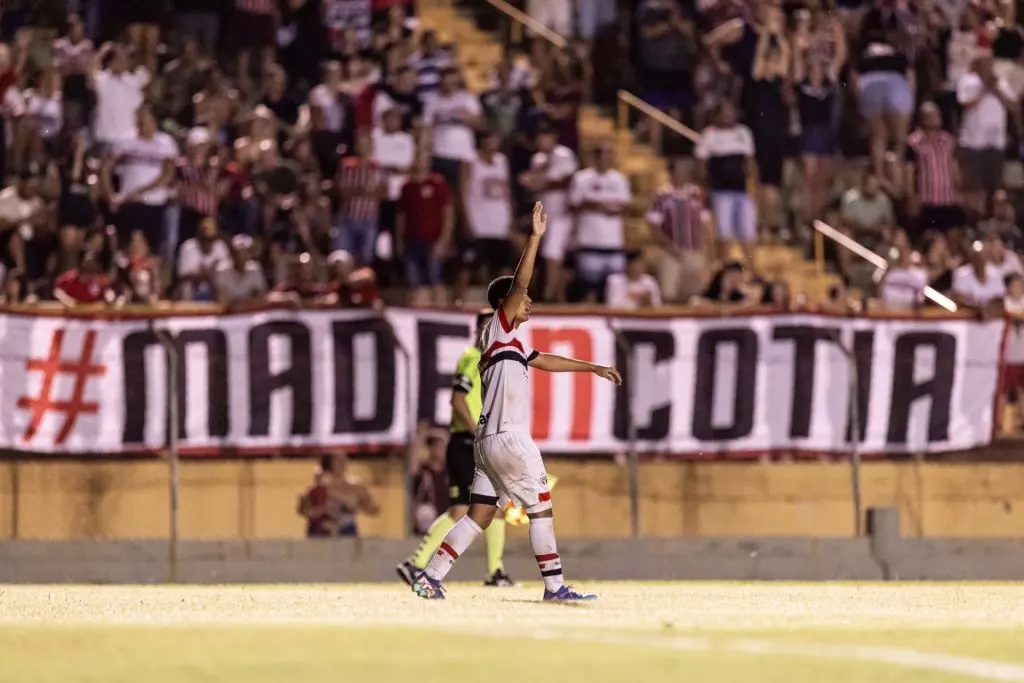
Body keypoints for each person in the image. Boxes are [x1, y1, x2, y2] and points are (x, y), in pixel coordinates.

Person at [410, 202, 622, 602]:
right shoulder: (498, 325)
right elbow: (520, 284)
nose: (529, 301)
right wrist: (536, 238)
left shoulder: (509, 342)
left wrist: (592, 366)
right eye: (523, 298)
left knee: (480, 515)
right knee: (540, 508)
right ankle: (555, 586)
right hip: (509, 438)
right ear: (506, 301)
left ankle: (429, 578)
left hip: (488, 443)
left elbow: (546, 360)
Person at [396, 310, 515, 589]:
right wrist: (478, 433)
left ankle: (415, 564)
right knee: (490, 508)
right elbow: (458, 399)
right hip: (468, 442)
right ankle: (494, 572)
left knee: (462, 511)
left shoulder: (491, 363)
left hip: (471, 443)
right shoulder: (472, 358)